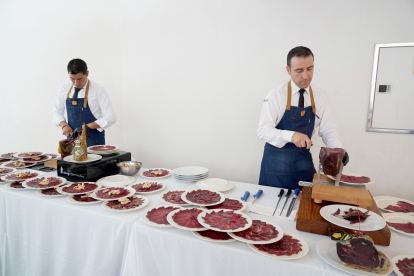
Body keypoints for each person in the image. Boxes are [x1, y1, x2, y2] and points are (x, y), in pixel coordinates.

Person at [257, 46, 347, 189]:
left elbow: (328, 129)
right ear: (288, 70)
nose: (305, 76)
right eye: (299, 71)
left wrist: (336, 150)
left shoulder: (321, 96)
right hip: (275, 168)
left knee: (307, 208)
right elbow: (263, 130)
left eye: (310, 69)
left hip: (303, 165)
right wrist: (291, 136)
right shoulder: (276, 95)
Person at [53, 59, 116, 146]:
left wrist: (87, 127)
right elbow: (57, 111)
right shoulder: (64, 88)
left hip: (94, 142)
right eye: (72, 79)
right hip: (72, 141)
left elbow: (111, 117)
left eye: (80, 79)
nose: (76, 83)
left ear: (87, 73)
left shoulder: (98, 90)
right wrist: (64, 125)